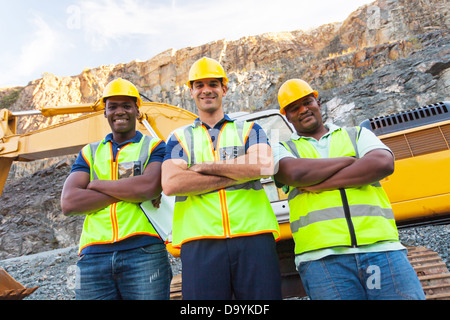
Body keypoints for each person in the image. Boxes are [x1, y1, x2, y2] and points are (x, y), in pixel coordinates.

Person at [273, 78, 425, 300]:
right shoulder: (283, 148)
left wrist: (319, 183)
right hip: (323, 259)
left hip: (381, 249)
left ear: (318, 102)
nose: (303, 110)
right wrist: (351, 161)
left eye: (307, 102)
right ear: (287, 116)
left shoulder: (357, 134)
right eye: (294, 108)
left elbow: (383, 163)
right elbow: (295, 174)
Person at [161, 57, 282, 300]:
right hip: (200, 243)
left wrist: (202, 167)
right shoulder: (179, 137)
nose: (207, 90)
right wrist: (238, 173)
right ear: (192, 92)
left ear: (224, 89)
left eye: (213, 84)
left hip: (254, 237)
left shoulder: (249, 129)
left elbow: (265, 165)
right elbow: (172, 183)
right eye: (200, 85)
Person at [60, 78, 172, 300]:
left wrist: (96, 185)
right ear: (105, 112)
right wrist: (129, 190)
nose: (119, 111)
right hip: (92, 257)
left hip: (144, 251)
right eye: (112, 106)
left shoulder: (154, 146)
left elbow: (149, 187)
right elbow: (69, 203)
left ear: (137, 110)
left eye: (126, 106)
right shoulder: (89, 152)